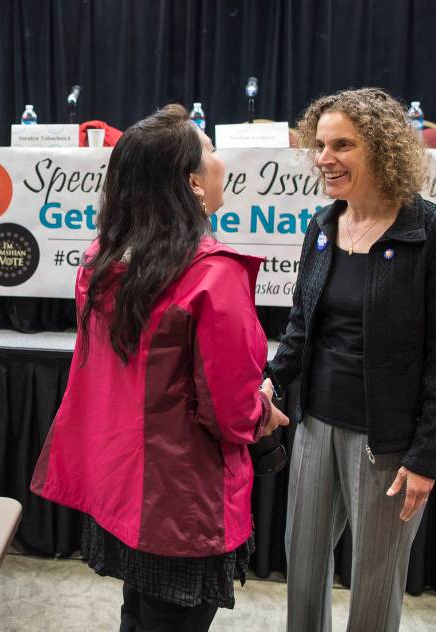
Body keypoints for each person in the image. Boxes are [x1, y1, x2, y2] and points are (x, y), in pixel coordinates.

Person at [30, 105, 289, 632]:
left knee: (140, 614)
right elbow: (232, 414)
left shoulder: (101, 261)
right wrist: (264, 412)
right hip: (182, 500)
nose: (221, 161)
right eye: (211, 150)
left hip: (123, 485)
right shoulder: (213, 278)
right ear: (192, 182)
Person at [265, 88, 436, 632]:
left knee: (376, 582)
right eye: (319, 145)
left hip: (388, 442)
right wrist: (271, 382)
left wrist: (426, 457)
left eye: (342, 145)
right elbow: (302, 329)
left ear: (382, 150)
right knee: (303, 567)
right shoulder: (322, 227)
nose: (323, 158)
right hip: (315, 426)